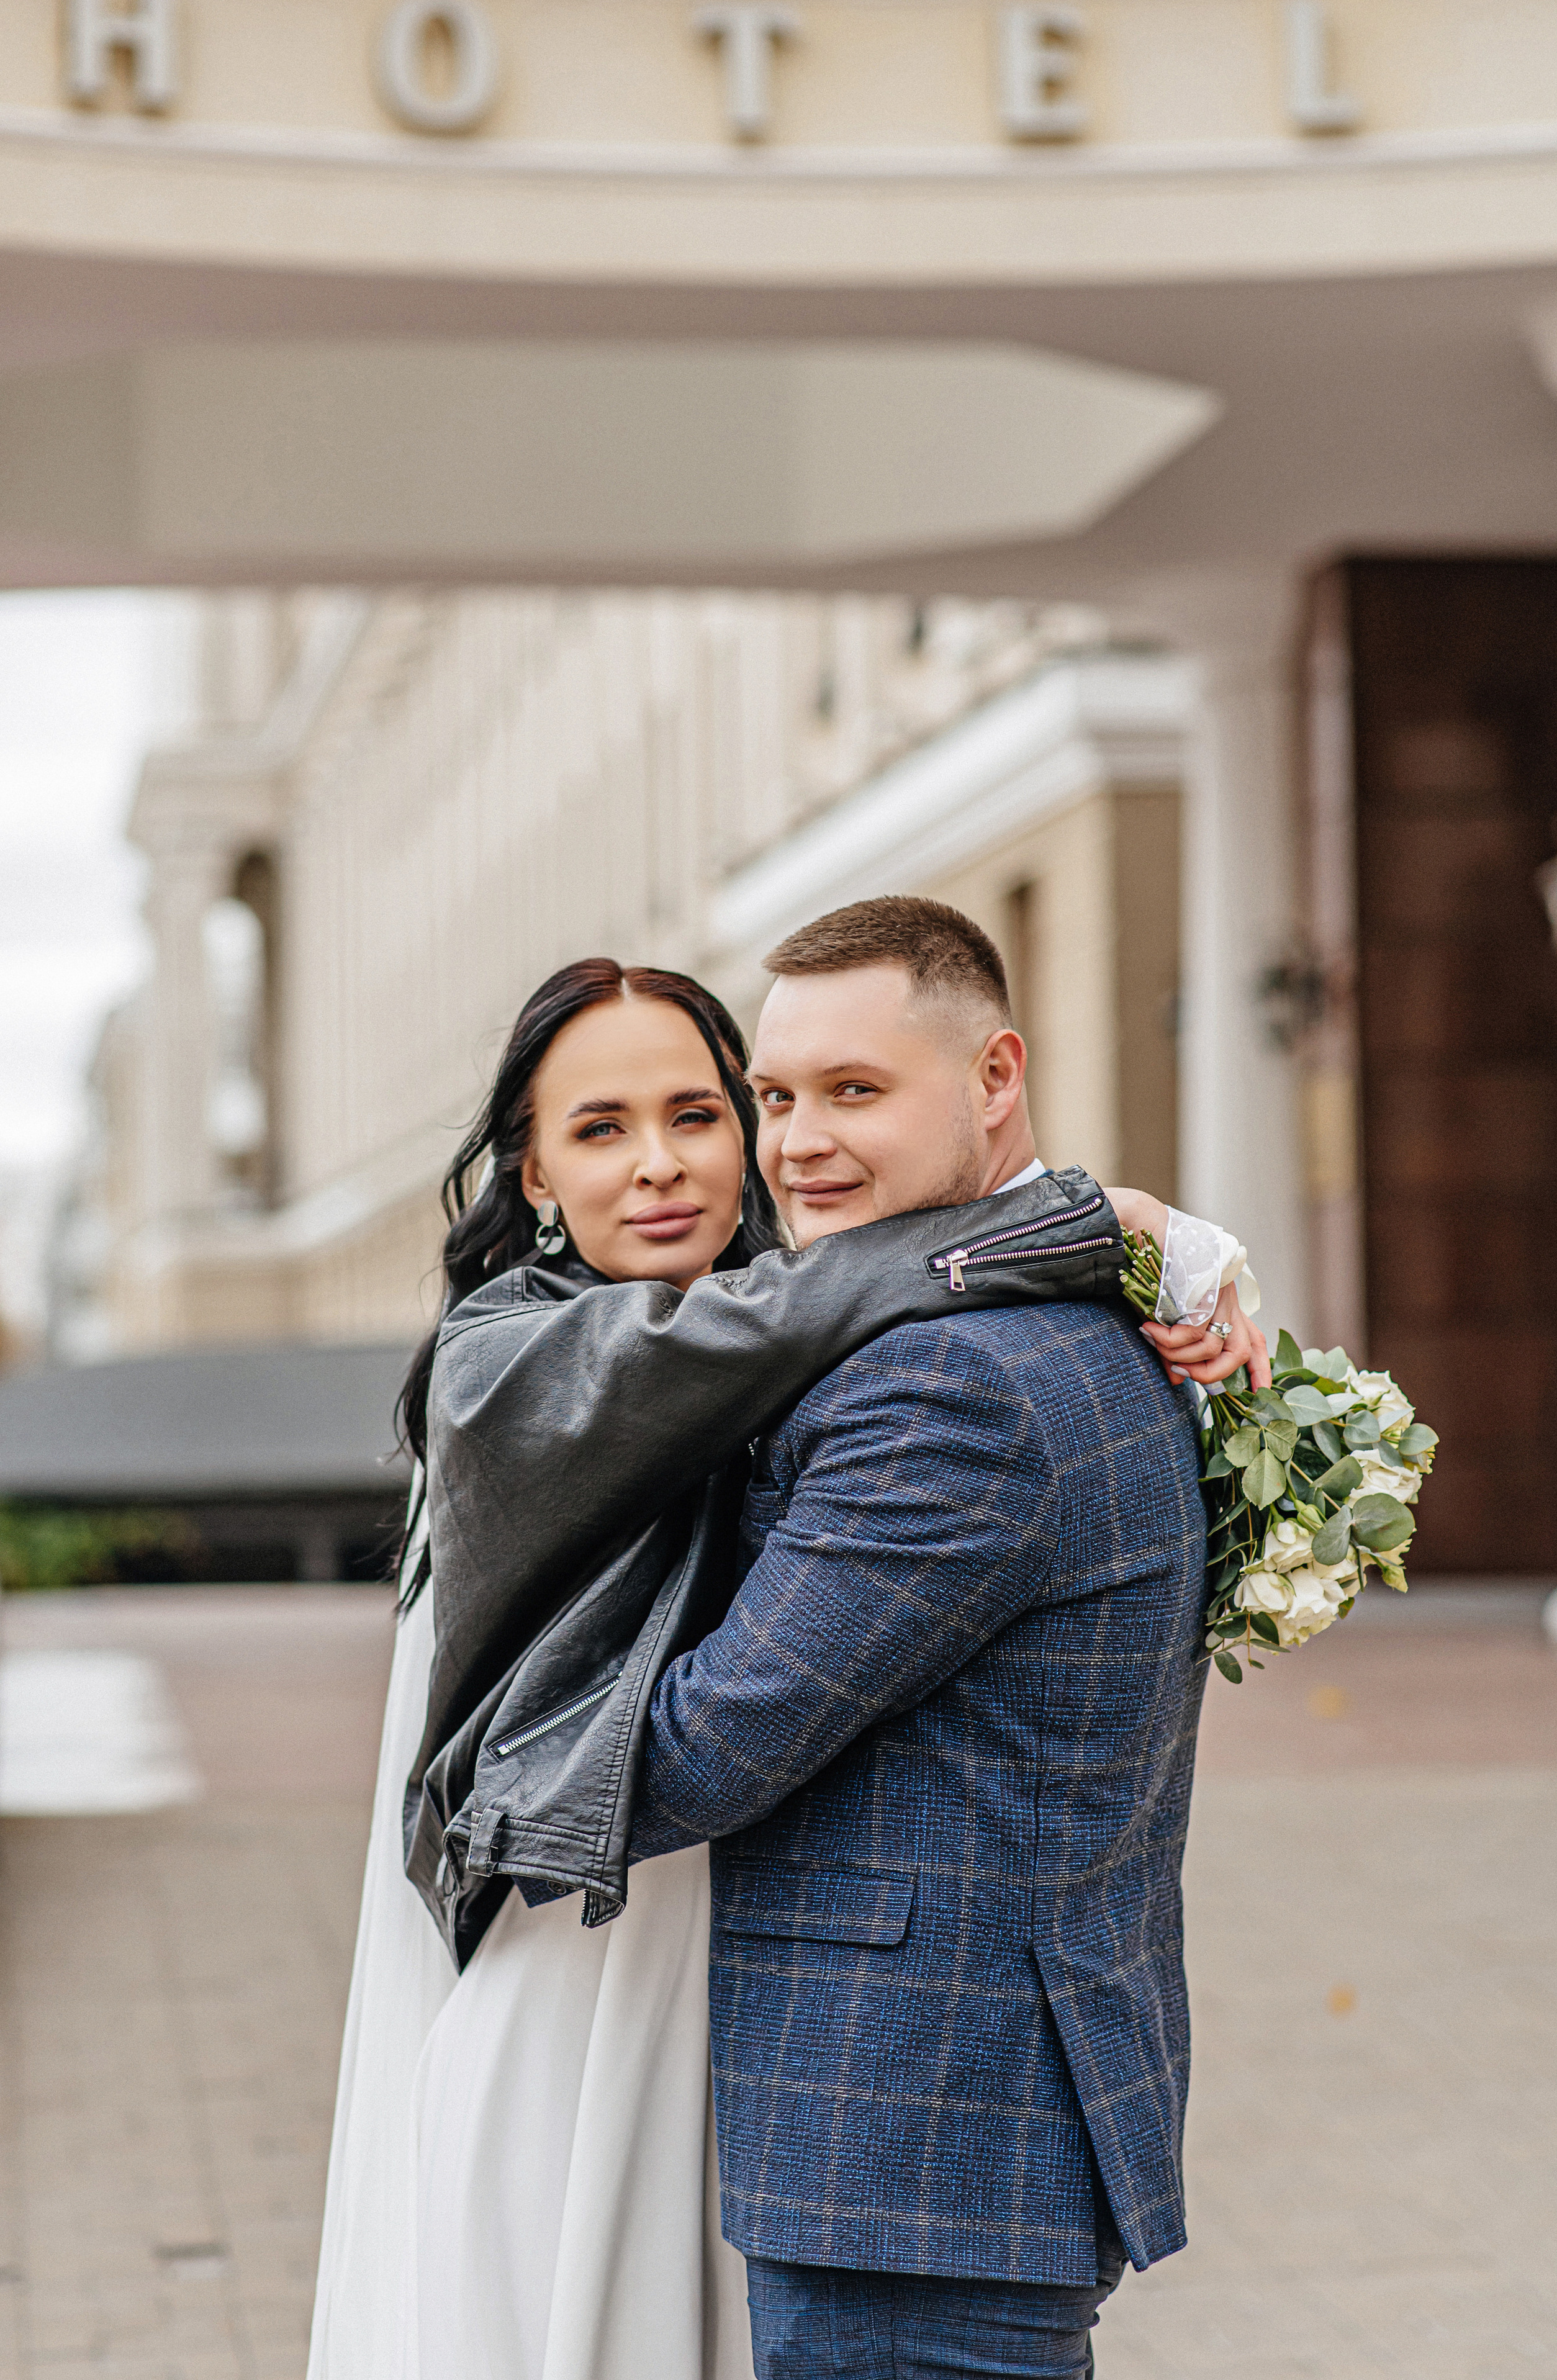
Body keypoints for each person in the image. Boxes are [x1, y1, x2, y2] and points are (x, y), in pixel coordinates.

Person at [307, 932, 1262, 2380]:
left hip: (778, 2016)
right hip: (586, 1933)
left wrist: (1116, 1231)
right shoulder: (514, 1354)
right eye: (600, 1129)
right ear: (531, 1175)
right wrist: (1103, 1224)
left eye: (700, 1114)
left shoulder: (854, 1336)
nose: (663, 1165)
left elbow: (803, 1314)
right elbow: (779, 1320)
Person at [623, 896, 1233, 2379]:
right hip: (955, 2135)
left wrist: (471, 1760)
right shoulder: (1032, 1316)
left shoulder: (948, 1389)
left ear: (994, 1076)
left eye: (853, 1091)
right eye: (774, 1097)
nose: (793, 1145)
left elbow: (707, 1748)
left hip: (909, 2140)